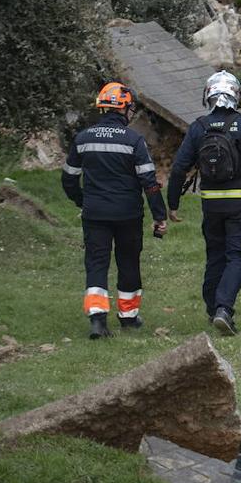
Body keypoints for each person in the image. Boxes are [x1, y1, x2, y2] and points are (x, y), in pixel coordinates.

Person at [167, 71, 241, 336]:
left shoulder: (199, 127)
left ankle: (212, 307)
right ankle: (224, 309)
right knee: (237, 256)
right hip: (240, 205)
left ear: (209, 95)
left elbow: (179, 168)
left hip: (211, 206)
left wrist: (172, 204)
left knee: (215, 256)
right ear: (236, 96)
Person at [62, 82, 168, 340]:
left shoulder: (83, 138)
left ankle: (98, 321)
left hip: (94, 213)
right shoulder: (134, 141)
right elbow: (149, 183)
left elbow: (68, 179)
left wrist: (82, 201)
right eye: (130, 107)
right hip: (128, 214)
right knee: (128, 262)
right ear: (123, 108)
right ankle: (129, 318)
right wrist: (159, 215)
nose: (132, 112)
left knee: (96, 263)